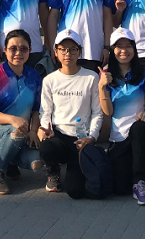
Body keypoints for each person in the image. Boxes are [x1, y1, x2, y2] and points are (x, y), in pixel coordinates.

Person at [38, 29, 104, 198]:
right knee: (47, 149)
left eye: (73, 49)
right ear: (56, 52)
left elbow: (97, 112)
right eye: (63, 49)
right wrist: (46, 129)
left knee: (75, 191)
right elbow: (45, 111)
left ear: (79, 52)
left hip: (81, 138)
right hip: (59, 135)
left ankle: (77, 168)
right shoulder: (50, 80)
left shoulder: (91, 77)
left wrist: (92, 137)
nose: (68, 54)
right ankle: (53, 170)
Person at [0, 29, 44, 195]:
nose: (18, 53)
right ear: (5, 50)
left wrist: (33, 131)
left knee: (36, 163)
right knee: (16, 133)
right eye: (13, 48)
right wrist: (13, 120)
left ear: (30, 50)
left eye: (23, 49)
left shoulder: (34, 76)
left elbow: (36, 110)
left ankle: (7, 160)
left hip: (21, 131)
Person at [99, 27, 145, 205]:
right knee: (119, 188)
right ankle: (135, 176)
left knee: (138, 128)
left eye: (128, 46)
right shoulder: (106, 75)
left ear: (134, 49)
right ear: (112, 50)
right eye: (119, 46)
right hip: (119, 137)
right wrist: (102, 87)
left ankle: (140, 181)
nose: (124, 50)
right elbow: (108, 112)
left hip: (141, 131)